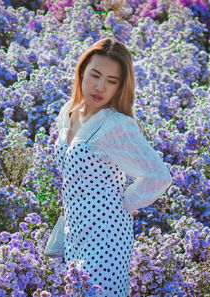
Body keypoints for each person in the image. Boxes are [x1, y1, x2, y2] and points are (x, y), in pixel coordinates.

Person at [53, 38, 173, 296]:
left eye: (111, 81)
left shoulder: (115, 124)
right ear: (82, 71)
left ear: (120, 86)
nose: (99, 87)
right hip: (74, 234)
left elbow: (159, 176)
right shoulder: (69, 112)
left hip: (106, 238)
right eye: (95, 75)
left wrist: (124, 204)